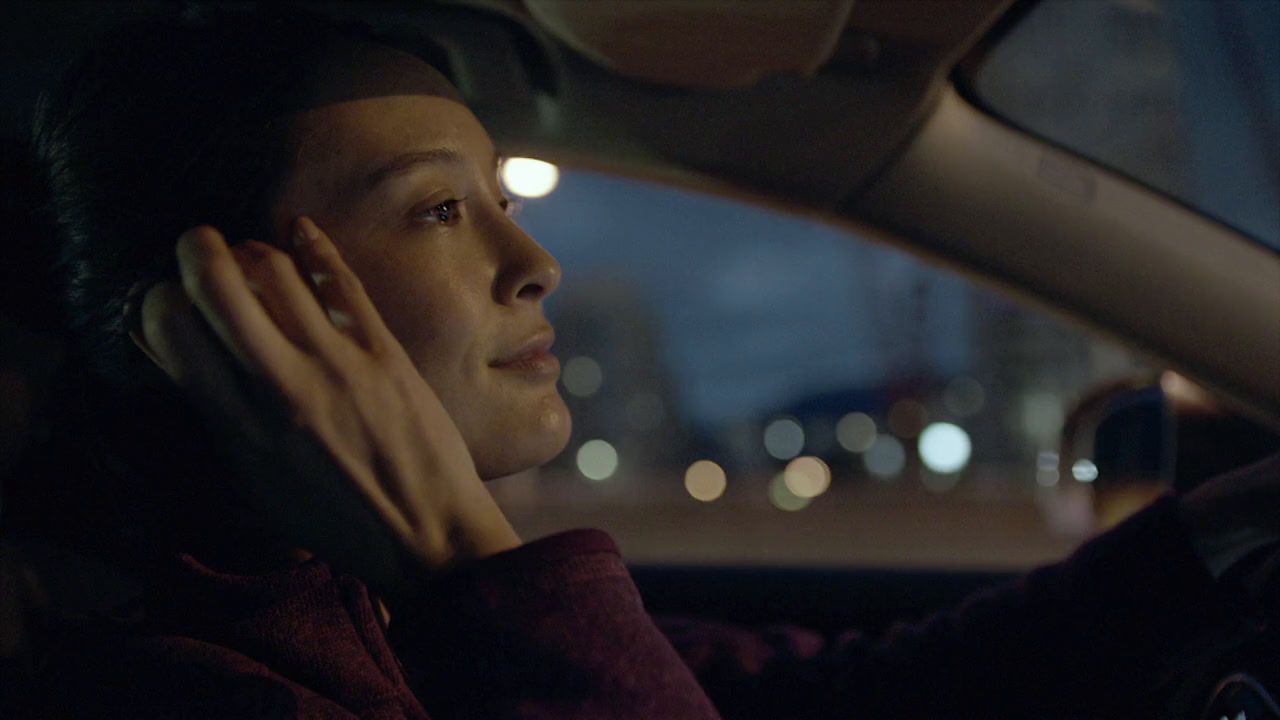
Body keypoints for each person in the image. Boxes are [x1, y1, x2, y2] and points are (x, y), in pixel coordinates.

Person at [8, 6, 1280, 718]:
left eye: (500, 196)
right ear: (219, 311)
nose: (533, 263)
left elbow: (838, 699)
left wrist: (1205, 541)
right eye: (440, 209)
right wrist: (459, 562)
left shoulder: (379, 609)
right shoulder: (159, 695)